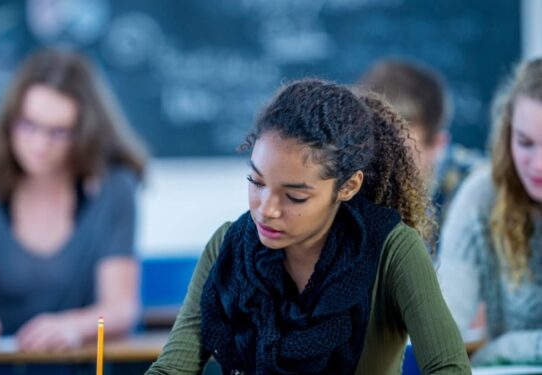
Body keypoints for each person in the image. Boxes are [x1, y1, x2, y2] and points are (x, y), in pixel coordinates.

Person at [147, 79, 470, 374]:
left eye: (295, 196)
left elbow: (448, 368)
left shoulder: (392, 249)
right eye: (256, 182)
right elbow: (172, 369)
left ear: (348, 187)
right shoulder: (228, 247)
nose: (267, 209)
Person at [0, 48, 147, 351]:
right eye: (29, 125)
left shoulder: (114, 189)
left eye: (59, 132)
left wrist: (72, 327)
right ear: (9, 120)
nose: (40, 144)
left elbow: (121, 308)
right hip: (0, 367)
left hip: (83, 364)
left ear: (84, 133)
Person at [438, 58, 542, 365]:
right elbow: (441, 333)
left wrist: (496, 352)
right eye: (524, 143)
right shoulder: (482, 197)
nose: (537, 165)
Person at [359, 59, 485, 226]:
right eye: (372, 147)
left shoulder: (482, 192)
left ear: (438, 145)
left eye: (399, 153)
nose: (380, 165)